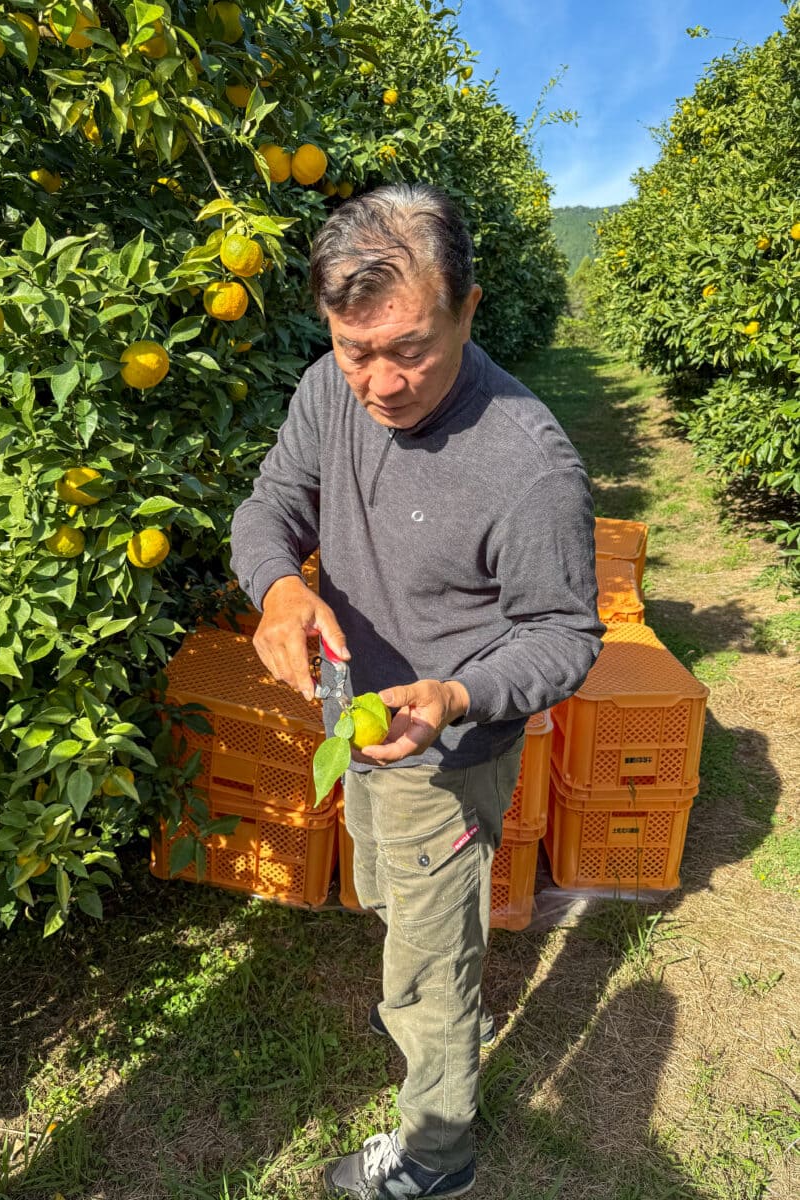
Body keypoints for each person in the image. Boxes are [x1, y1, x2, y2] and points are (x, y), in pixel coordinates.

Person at [230, 183, 604, 1200]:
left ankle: (439, 1154)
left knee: (432, 963)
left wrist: (454, 697)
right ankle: (427, 993)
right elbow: (272, 503)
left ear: (468, 309)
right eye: (356, 350)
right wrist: (277, 588)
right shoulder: (329, 388)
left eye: (410, 349)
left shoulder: (528, 467)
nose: (381, 384)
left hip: (447, 753)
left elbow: (565, 634)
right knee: (394, 896)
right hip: (357, 722)